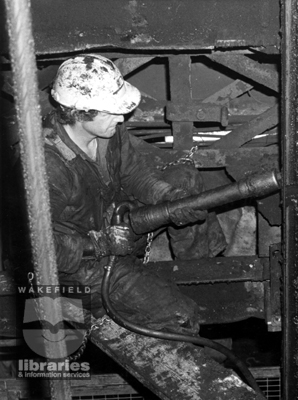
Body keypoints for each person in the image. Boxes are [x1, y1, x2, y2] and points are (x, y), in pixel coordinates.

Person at [42, 54, 227, 334]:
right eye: (111, 112)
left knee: (185, 181)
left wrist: (167, 197)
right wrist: (101, 245)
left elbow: (133, 174)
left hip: (116, 220)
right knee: (181, 317)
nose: (121, 117)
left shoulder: (107, 131)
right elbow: (38, 247)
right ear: (79, 112)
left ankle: (199, 271)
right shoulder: (47, 165)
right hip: (85, 264)